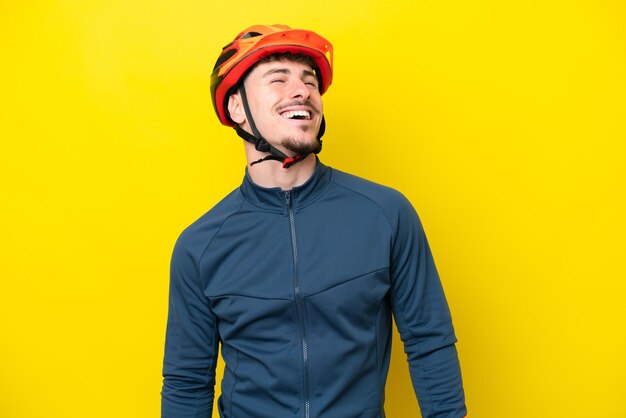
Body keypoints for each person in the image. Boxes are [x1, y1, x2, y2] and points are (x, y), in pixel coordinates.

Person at [161, 24, 467, 418]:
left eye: (309, 80)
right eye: (278, 78)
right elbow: (187, 382)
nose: (302, 90)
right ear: (237, 108)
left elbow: (429, 343)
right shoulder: (199, 246)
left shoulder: (386, 214)